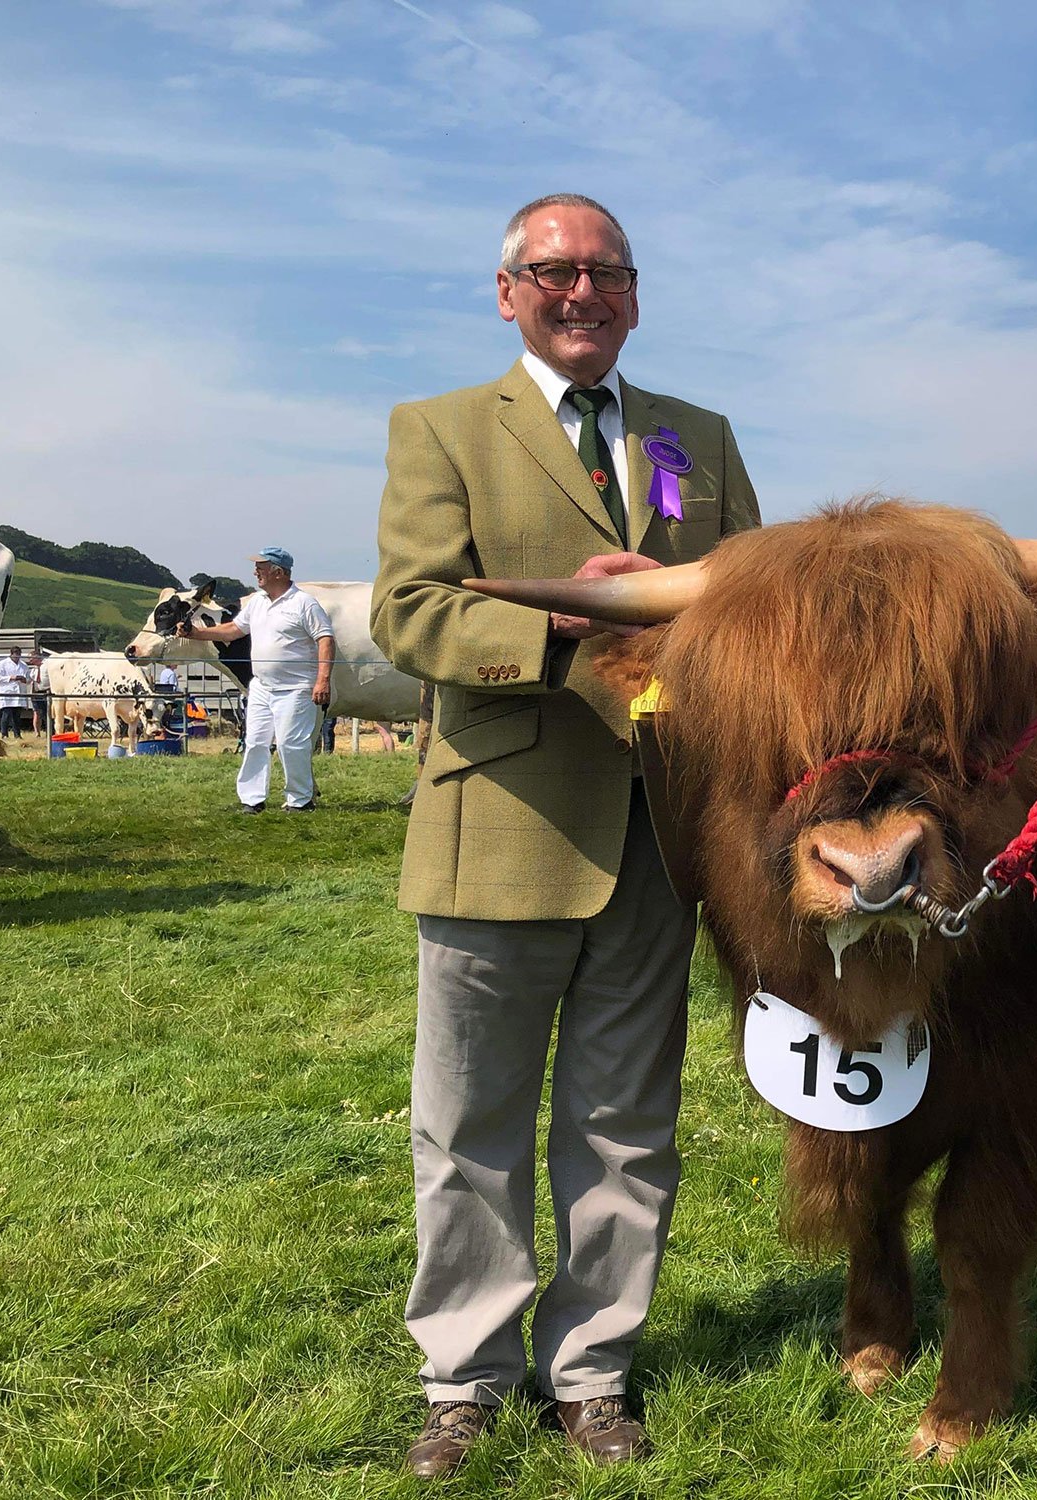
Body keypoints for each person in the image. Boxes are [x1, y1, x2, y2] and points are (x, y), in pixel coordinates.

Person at [370, 192, 759, 1480]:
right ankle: (464, 1381)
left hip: (659, 832)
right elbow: (411, 614)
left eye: (604, 272)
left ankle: (590, 1373)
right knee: (469, 1124)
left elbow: (748, 605)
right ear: (506, 291)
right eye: (553, 272)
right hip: (501, 830)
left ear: (636, 294)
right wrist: (561, 636)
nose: (579, 291)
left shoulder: (694, 439)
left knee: (624, 1127)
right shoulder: (437, 431)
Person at [180, 547, 333, 811]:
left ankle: (300, 799)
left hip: (296, 688)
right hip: (261, 687)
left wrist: (322, 680)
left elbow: (325, 639)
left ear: (278, 572)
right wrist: (196, 634)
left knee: (290, 743)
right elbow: (233, 630)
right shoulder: (258, 602)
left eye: (261, 567)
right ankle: (252, 799)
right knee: (255, 742)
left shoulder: (304, 603)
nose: (255, 572)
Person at [0, 647, 32, 737]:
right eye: (15, 654)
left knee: (17, 716)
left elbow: (29, 679)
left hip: (19, 693)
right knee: (6, 715)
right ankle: (4, 734)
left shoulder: (24, 665)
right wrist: (11, 678)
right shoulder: (3, 664)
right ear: (11, 654)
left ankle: (17, 734)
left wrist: (24, 680)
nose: (17, 656)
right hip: (7, 692)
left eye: (19, 654)